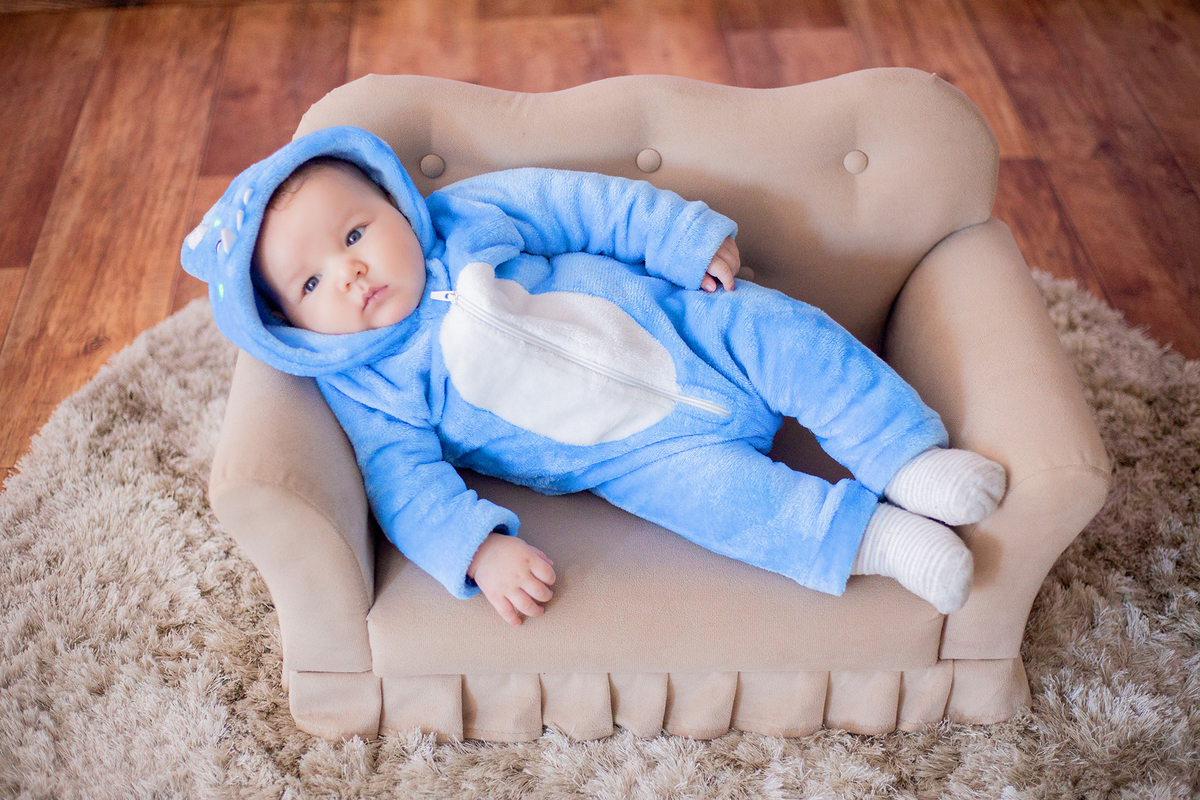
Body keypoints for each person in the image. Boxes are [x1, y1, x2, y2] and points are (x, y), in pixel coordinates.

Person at [182, 126, 1006, 626]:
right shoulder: (370, 385)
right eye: (314, 283)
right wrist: (475, 552)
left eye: (354, 234)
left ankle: (905, 459)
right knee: (733, 511)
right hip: (635, 459)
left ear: (397, 204)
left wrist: (681, 240)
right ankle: (880, 541)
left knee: (793, 337)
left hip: (687, 325)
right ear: (292, 326)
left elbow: (587, 206)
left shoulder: (471, 215)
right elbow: (405, 484)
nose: (350, 273)